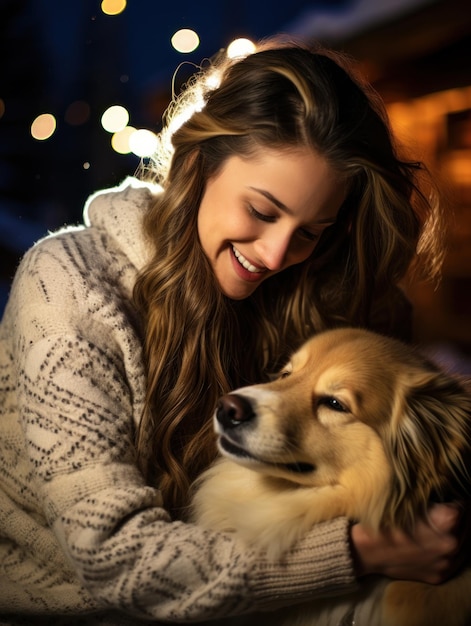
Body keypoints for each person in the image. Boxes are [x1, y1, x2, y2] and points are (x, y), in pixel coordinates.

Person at [0, 36, 465, 625]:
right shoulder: (68, 285)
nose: (276, 254)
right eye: (263, 212)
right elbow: (115, 560)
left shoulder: (304, 292)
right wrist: (363, 551)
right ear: (199, 166)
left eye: (310, 230)